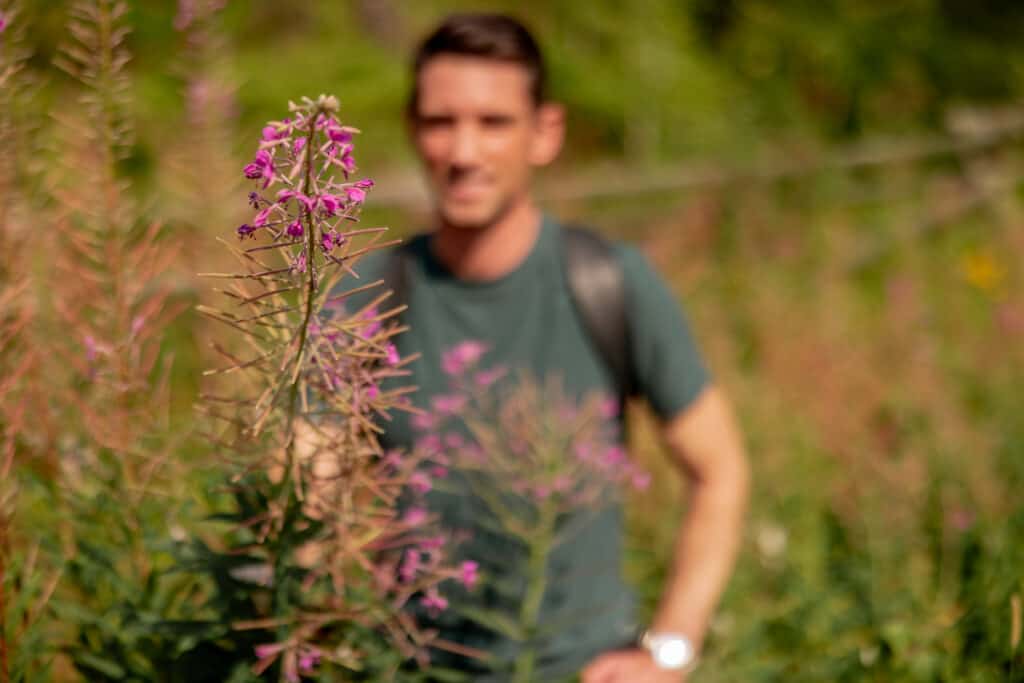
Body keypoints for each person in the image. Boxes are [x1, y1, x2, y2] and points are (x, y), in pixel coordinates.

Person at [354, 13, 750, 682]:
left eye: (494, 122)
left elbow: (721, 472)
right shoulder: (362, 297)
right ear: (413, 130)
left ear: (545, 134)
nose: (464, 152)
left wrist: (669, 651)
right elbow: (304, 493)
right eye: (440, 122)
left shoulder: (610, 281)